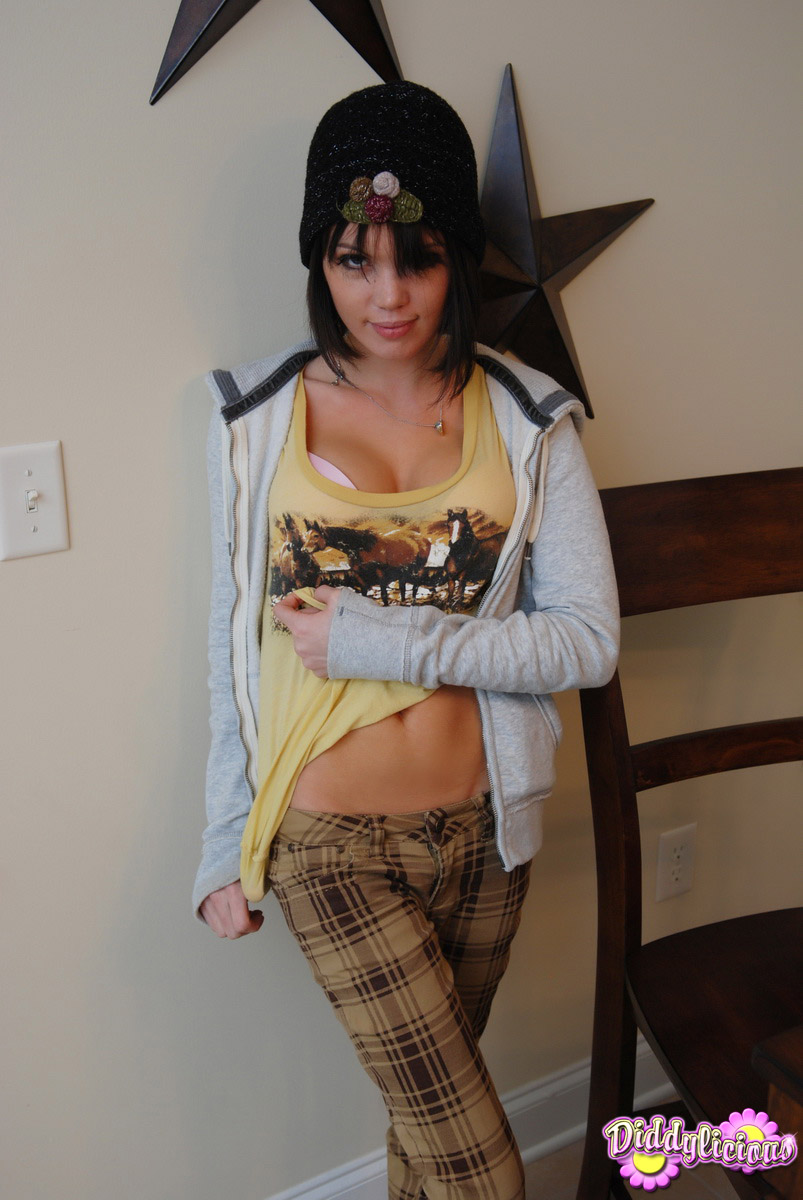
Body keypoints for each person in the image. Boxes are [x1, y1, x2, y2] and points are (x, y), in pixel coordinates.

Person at [193, 81, 619, 1200]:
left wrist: (384, 639)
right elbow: (230, 647)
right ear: (319, 259)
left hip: (486, 838)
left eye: (418, 261)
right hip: (327, 844)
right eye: (353, 260)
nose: (386, 296)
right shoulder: (255, 422)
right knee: (480, 1169)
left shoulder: (530, 418)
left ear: (457, 260)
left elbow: (585, 642)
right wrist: (222, 841)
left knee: (426, 1151)